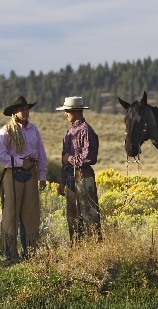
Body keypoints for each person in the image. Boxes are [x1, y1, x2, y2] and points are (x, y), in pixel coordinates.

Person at [0, 95, 48, 261]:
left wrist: (42, 175)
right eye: (21, 109)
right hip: (13, 175)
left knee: (30, 214)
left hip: (31, 174)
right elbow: (0, 155)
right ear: (15, 113)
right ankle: (10, 253)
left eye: (26, 109)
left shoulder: (33, 130)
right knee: (11, 213)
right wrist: (19, 163)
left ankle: (28, 252)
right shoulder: (6, 131)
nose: (25, 112)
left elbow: (41, 154)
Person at [55, 96, 102, 242]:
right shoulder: (68, 133)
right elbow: (65, 161)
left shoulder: (86, 131)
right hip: (70, 177)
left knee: (89, 214)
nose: (65, 114)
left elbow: (88, 158)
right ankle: (77, 248)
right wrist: (62, 182)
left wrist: (69, 159)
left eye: (67, 110)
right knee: (72, 215)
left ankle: (94, 248)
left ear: (76, 111)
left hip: (83, 175)